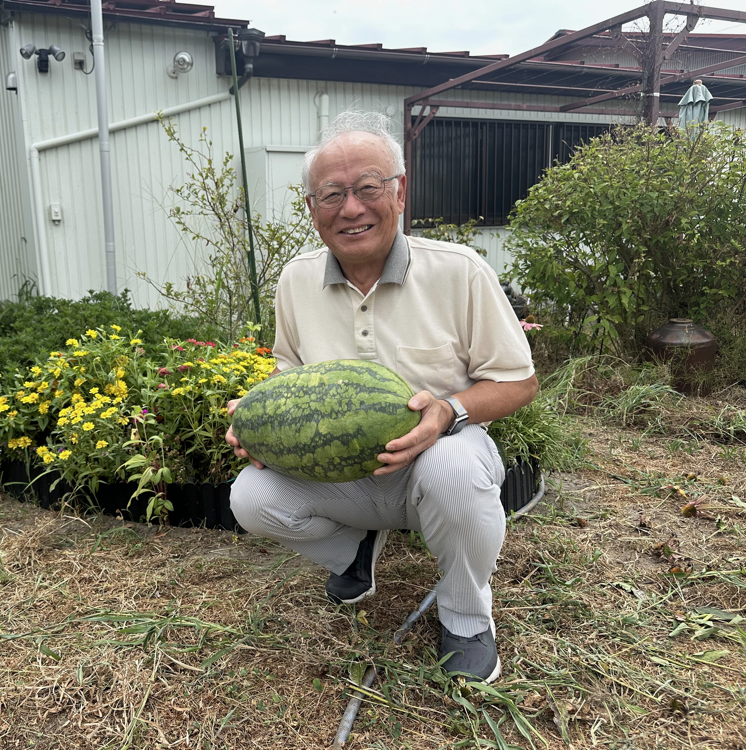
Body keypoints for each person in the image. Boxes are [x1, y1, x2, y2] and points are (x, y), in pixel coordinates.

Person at [225, 111, 538, 683]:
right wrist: (256, 421)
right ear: (312, 208)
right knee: (251, 496)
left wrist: (447, 410)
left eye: (368, 188)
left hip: (441, 464)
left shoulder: (459, 271)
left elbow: (519, 380)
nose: (351, 208)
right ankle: (355, 553)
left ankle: (466, 616)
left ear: (399, 192)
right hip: (349, 475)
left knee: (451, 464)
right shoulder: (295, 281)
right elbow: (289, 378)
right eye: (332, 194)